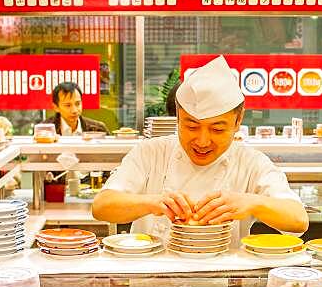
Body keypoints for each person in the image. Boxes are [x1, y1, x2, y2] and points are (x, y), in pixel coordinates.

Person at [92, 56, 308, 243]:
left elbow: (298, 220)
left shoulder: (251, 162)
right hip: (152, 279)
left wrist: (252, 202)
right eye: (191, 126)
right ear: (177, 117)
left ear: (237, 121)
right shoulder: (151, 152)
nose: (202, 141)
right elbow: (102, 206)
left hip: (221, 281)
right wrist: (153, 202)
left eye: (217, 129)